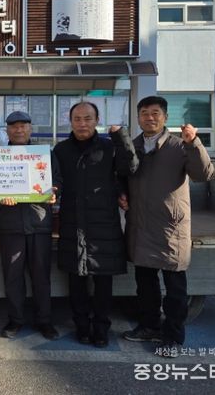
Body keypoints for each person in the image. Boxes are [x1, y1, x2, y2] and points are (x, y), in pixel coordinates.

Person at [122, 96, 214, 357]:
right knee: (145, 284)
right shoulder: (132, 146)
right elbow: (122, 176)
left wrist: (194, 143)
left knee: (175, 288)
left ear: (165, 117)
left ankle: (173, 337)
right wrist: (121, 193)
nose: (149, 117)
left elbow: (203, 175)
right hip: (141, 223)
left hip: (170, 226)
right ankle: (149, 326)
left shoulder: (179, 145)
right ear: (138, 117)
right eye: (144, 113)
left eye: (155, 113)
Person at [53, 102, 138, 348]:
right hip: (72, 221)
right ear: (70, 121)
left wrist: (121, 137)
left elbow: (129, 168)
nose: (82, 123)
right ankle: (81, 326)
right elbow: (54, 179)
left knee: (103, 281)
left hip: (104, 223)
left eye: (88, 118)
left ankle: (101, 328)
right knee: (76, 280)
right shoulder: (61, 150)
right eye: (77, 119)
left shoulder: (109, 147)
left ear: (97, 120)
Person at [0, 111, 62, 340]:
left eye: (23, 126)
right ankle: (15, 320)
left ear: (30, 129)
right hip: (10, 224)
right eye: (14, 126)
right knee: (12, 276)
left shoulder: (45, 155)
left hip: (38, 222)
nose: (19, 130)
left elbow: (57, 180)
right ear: (7, 131)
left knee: (41, 276)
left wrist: (54, 191)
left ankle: (45, 321)